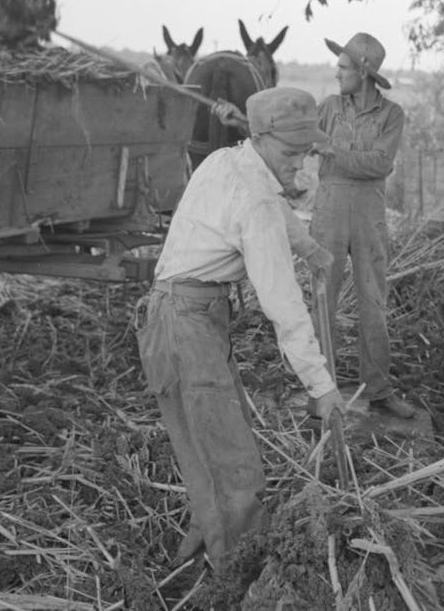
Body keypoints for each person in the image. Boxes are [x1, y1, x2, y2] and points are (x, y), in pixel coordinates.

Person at [136, 87, 346, 571]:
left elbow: (275, 212)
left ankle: (205, 535)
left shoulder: (227, 162)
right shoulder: (253, 198)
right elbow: (282, 304)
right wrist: (321, 384)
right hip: (188, 325)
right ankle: (240, 575)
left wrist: (310, 248)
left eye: (306, 152)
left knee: (204, 441)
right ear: (262, 138)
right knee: (234, 459)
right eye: (292, 153)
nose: (301, 165)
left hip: (174, 314)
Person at [311, 32, 415, 419]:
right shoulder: (326, 108)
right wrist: (241, 120)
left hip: (369, 215)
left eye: (342, 67)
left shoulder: (392, 115)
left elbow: (379, 164)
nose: (336, 73)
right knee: (323, 301)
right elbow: (289, 135)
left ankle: (379, 389)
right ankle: (320, 391)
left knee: (374, 302)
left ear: (364, 72)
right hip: (328, 212)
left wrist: (332, 150)